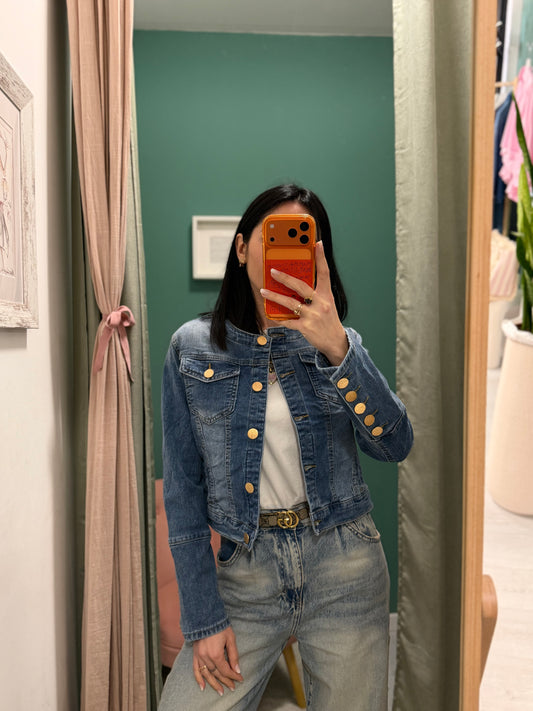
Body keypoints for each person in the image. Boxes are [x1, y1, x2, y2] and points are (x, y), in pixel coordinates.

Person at [158, 184, 413, 711]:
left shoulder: (338, 343)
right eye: (274, 238)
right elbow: (182, 492)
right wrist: (203, 619)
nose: (285, 256)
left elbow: (395, 444)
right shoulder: (191, 348)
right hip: (245, 577)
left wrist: (338, 348)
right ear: (242, 248)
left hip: (344, 568)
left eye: (301, 241)